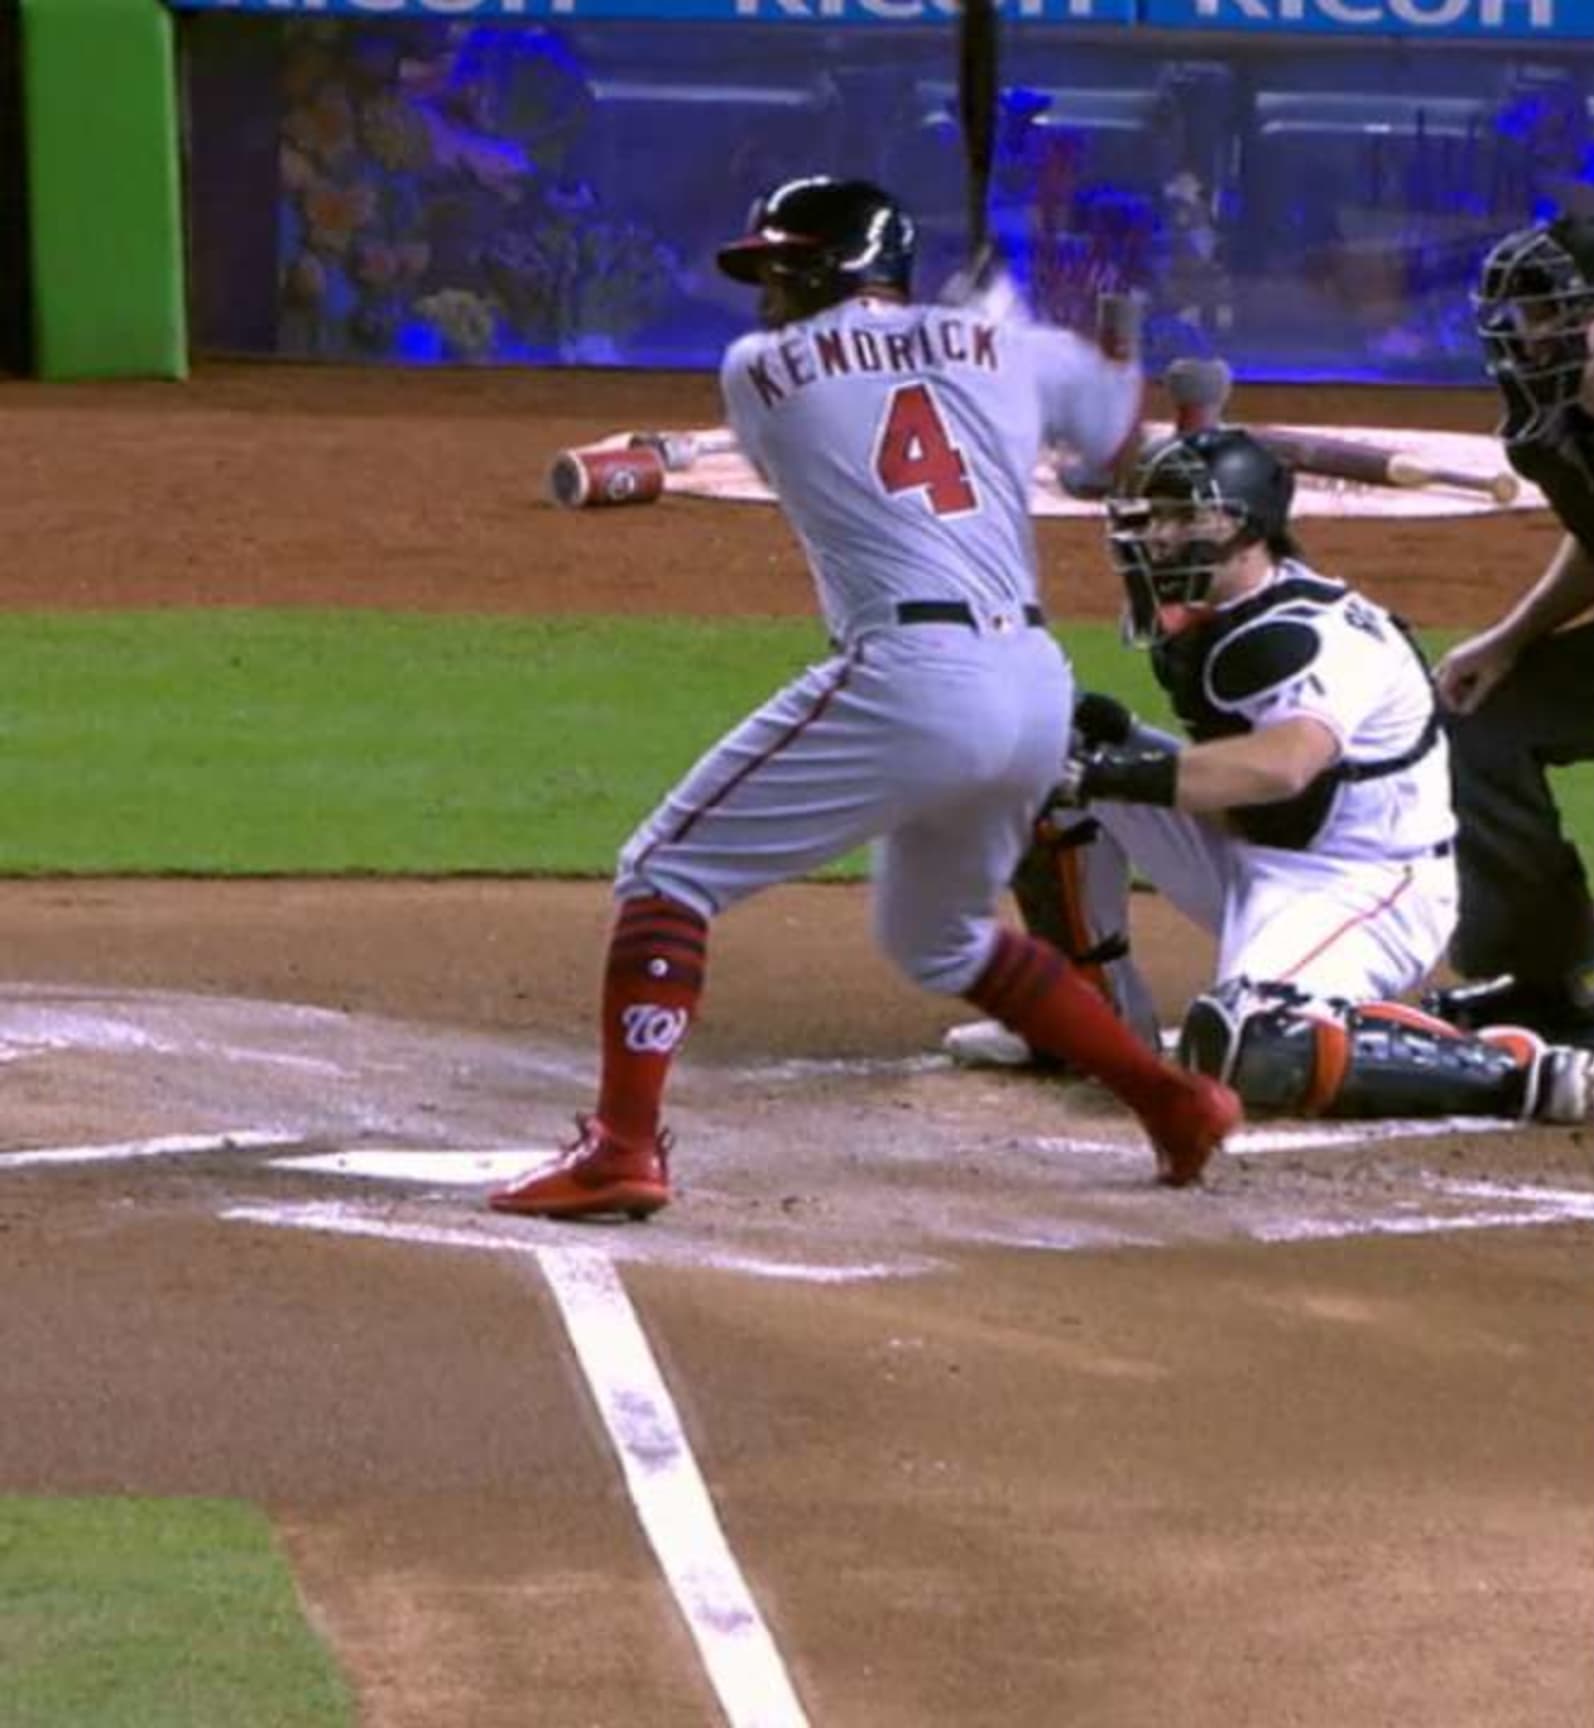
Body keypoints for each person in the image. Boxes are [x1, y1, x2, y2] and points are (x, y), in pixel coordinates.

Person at [488, 176, 1240, 1219]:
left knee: (665, 871)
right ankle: (1168, 1101)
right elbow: (1115, 453)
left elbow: (878, 389)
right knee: (937, 937)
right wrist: (1024, 334)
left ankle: (621, 1149)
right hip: (1034, 690)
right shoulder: (1004, 349)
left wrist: (970, 334)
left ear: (833, 271)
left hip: (916, 676)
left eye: (785, 270)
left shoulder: (759, 373)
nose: (767, 297)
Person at [946, 427, 1594, 1124]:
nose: (1160, 537)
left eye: (1184, 518)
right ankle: (1083, 1022)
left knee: (1252, 1040)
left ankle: (1516, 1072)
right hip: (1263, 849)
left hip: (1365, 887)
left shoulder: (1310, 636)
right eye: (1155, 517)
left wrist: (1111, 775)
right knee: (1043, 745)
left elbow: (1286, 765)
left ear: (1246, 527)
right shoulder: (1218, 612)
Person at [1423, 214, 1594, 1049]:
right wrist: (1509, 638)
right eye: (1525, 317)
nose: (1530, 338)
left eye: (1553, 315)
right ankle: (1552, 987)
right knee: (1483, 717)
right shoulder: (1558, 427)